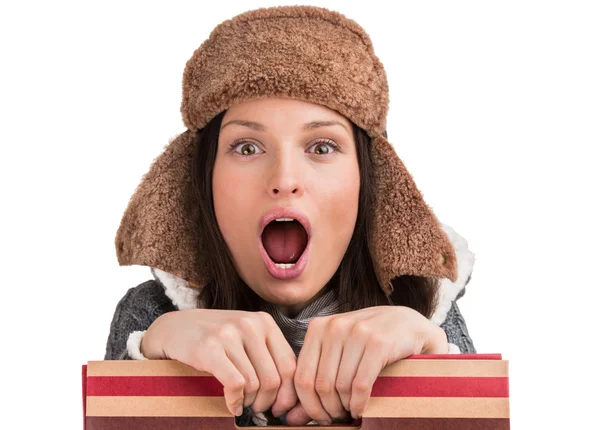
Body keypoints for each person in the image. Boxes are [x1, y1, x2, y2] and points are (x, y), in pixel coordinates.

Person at [104, 5, 477, 427]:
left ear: (368, 182)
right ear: (203, 179)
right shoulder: (150, 315)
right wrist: (151, 357)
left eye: (321, 147)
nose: (284, 180)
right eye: (247, 148)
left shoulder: (424, 310)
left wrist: (433, 364)